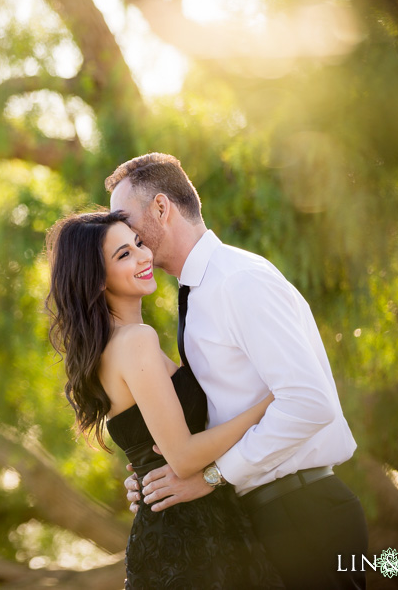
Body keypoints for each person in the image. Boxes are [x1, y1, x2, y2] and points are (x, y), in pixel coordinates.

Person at [108, 153, 368, 589]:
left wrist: (212, 476)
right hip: (263, 518)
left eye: (129, 223)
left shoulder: (237, 281)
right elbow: (220, 409)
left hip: (304, 512)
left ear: (160, 208)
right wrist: (155, 475)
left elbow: (310, 403)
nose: (127, 236)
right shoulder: (198, 294)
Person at [46, 210, 284, 589]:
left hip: (190, 528)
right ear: (97, 278)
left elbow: (154, 447)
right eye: (123, 255)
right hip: (189, 541)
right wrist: (267, 405)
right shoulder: (135, 342)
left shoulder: (113, 346)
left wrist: (143, 476)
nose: (143, 256)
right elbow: (184, 456)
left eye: (138, 243)